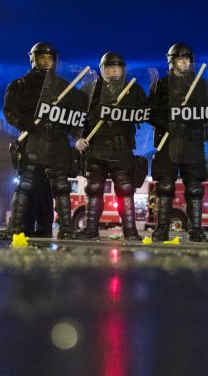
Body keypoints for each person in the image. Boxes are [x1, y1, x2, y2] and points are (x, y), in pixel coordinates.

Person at [0, 42, 88, 241]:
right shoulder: (20, 85)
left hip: (58, 142)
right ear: (33, 59)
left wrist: (77, 133)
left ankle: (66, 228)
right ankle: (16, 227)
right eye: (42, 58)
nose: (46, 62)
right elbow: (9, 110)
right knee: (25, 185)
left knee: (61, 186)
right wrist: (24, 123)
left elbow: (76, 116)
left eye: (50, 58)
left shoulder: (65, 86)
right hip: (32, 140)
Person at [75, 52, 147, 241]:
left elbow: (146, 115)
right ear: (102, 70)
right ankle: (90, 229)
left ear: (123, 70)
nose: (114, 71)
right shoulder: (89, 89)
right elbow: (77, 117)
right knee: (94, 187)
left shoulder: (134, 90)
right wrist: (78, 137)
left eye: (118, 68)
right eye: (110, 68)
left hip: (121, 147)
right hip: (96, 146)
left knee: (125, 188)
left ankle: (130, 231)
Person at [149, 43, 208, 242]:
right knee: (165, 187)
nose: (185, 62)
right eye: (180, 59)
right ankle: (162, 228)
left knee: (195, 187)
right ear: (172, 61)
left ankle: (195, 229)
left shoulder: (202, 85)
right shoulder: (160, 85)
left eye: (187, 59)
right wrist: (167, 124)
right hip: (167, 142)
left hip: (193, 142)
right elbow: (151, 112)